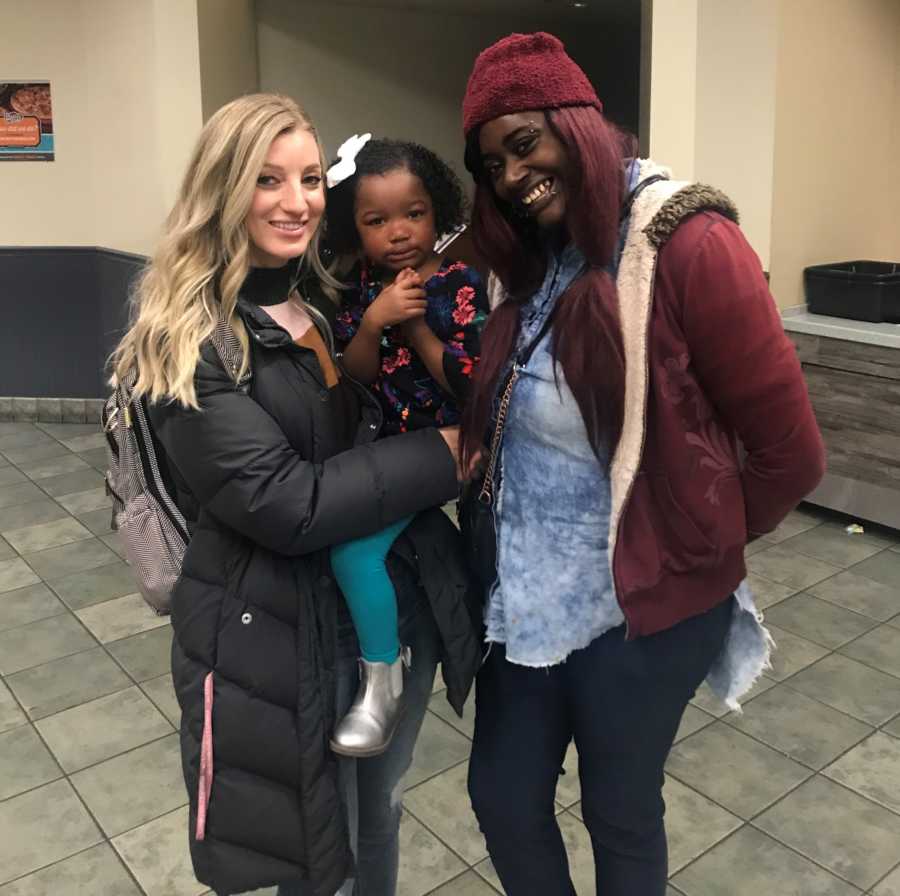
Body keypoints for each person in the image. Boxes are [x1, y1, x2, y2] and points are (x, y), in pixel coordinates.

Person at [457, 33, 826, 896]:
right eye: (492, 163)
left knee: (619, 810)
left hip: (641, 606)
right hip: (532, 592)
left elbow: (790, 455)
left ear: (576, 124)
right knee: (502, 796)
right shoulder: (534, 257)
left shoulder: (687, 244)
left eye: (525, 142)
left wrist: (692, 538)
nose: (513, 176)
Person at [110, 93, 480, 896]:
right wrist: (446, 452)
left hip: (382, 607)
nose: (297, 199)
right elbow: (288, 504)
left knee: (376, 813)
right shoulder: (187, 336)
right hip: (280, 634)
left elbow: (352, 426)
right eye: (267, 179)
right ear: (222, 188)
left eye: (310, 178)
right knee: (319, 850)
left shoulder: (314, 300)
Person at [324, 137, 488, 757]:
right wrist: (374, 320)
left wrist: (416, 324)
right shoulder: (359, 285)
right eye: (376, 220)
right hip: (381, 446)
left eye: (413, 214)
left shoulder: (459, 283)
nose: (398, 233)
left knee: (352, 555)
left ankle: (381, 680)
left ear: (436, 211)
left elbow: (469, 384)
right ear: (354, 227)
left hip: (442, 447)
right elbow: (358, 372)